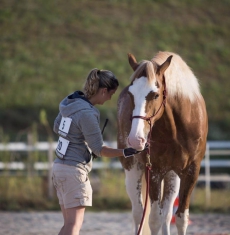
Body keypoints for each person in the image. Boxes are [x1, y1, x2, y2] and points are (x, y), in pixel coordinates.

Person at [52, 68, 141, 235]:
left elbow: (57, 127)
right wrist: (127, 151)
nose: (109, 99)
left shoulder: (70, 103)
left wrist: (78, 138)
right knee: (73, 226)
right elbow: (100, 150)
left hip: (59, 168)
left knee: (68, 224)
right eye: (111, 94)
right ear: (103, 90)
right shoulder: (87, 113)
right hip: (74, 171)